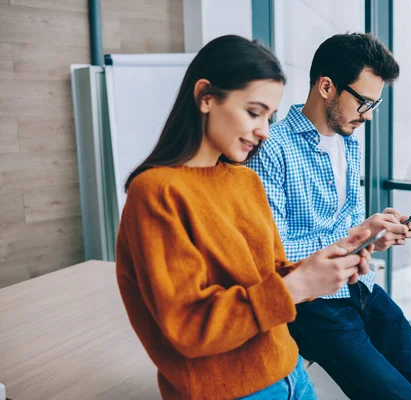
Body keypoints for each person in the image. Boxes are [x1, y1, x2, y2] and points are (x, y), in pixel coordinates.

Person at [115, 35, 375, 400]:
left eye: (269, 116)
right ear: (206, 97)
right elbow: (189, 328)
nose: (265, 131)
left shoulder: (245, 180)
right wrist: (296, 286)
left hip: (291, 372)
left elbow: (269, 277)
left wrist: (320, 267)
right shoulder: (157, 193)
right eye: (254, 112)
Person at [247, 33, 411, 399]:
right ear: (327, 86)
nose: (369, 115)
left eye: (374, 103)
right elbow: (272, 254)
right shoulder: (271, 149)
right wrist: (358, 235)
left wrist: (378, 235)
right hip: (314, 307)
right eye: (363, 102)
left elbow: (345, 228)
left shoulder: (348, 142)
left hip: (362, 288)